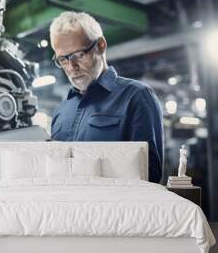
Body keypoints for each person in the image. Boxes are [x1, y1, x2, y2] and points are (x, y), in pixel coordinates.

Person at [49, 11, 164, 183]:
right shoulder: (62, 111)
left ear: (101, 45)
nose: (72, 67)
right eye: (63, 60)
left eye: (79, 55)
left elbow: (148, 175)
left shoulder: (136, 97)